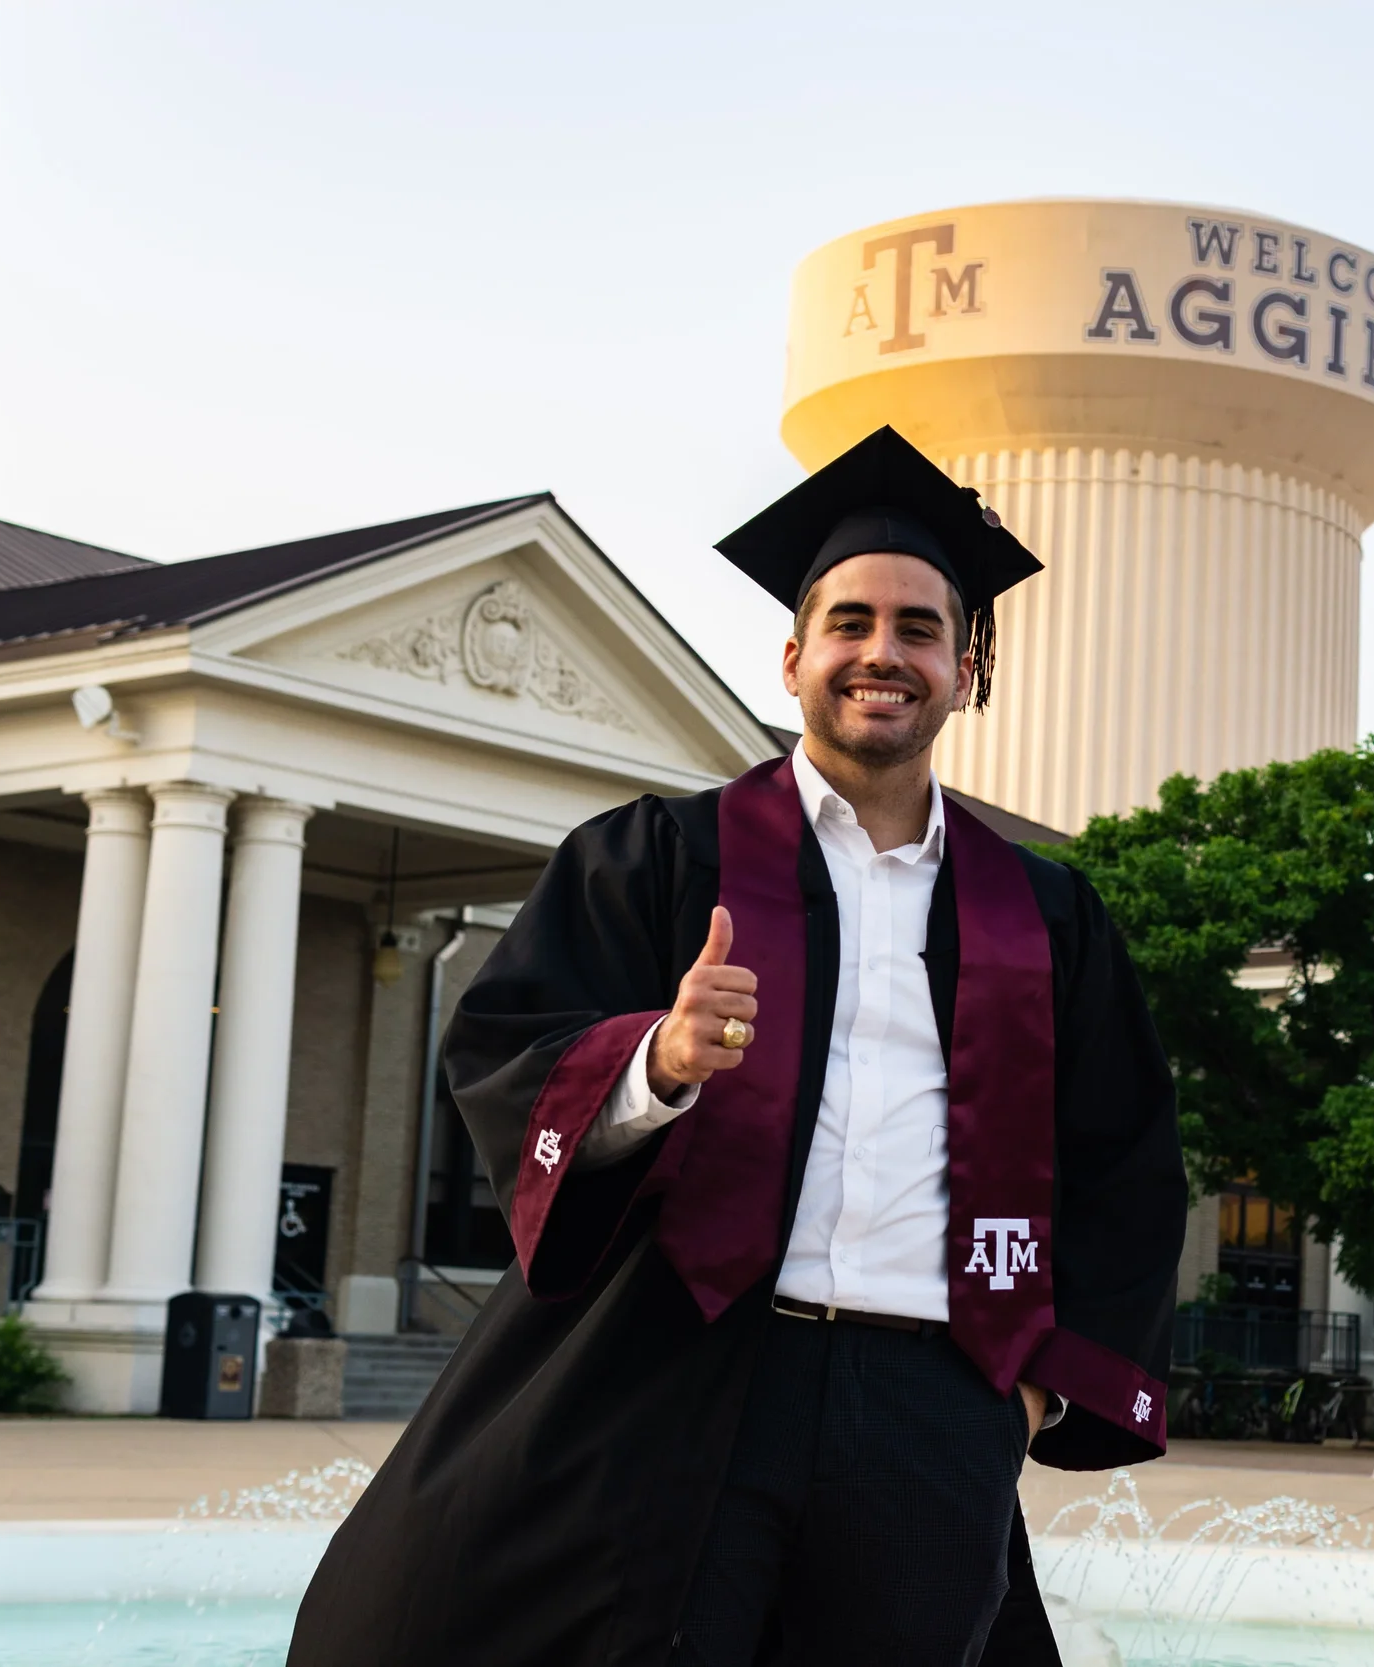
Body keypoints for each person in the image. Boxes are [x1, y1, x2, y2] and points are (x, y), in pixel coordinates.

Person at [291, 426, 1187, 1666]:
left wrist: (1025, 1397)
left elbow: (1125, 1164)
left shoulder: (1044, 916)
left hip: (932, 1399)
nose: (885, 653)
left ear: (967, 666)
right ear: (794, 656)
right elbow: (504, 1048)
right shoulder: (658, 857)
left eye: (921, 629)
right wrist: (656, 1058)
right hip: (696, 1374)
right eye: (852, 622)